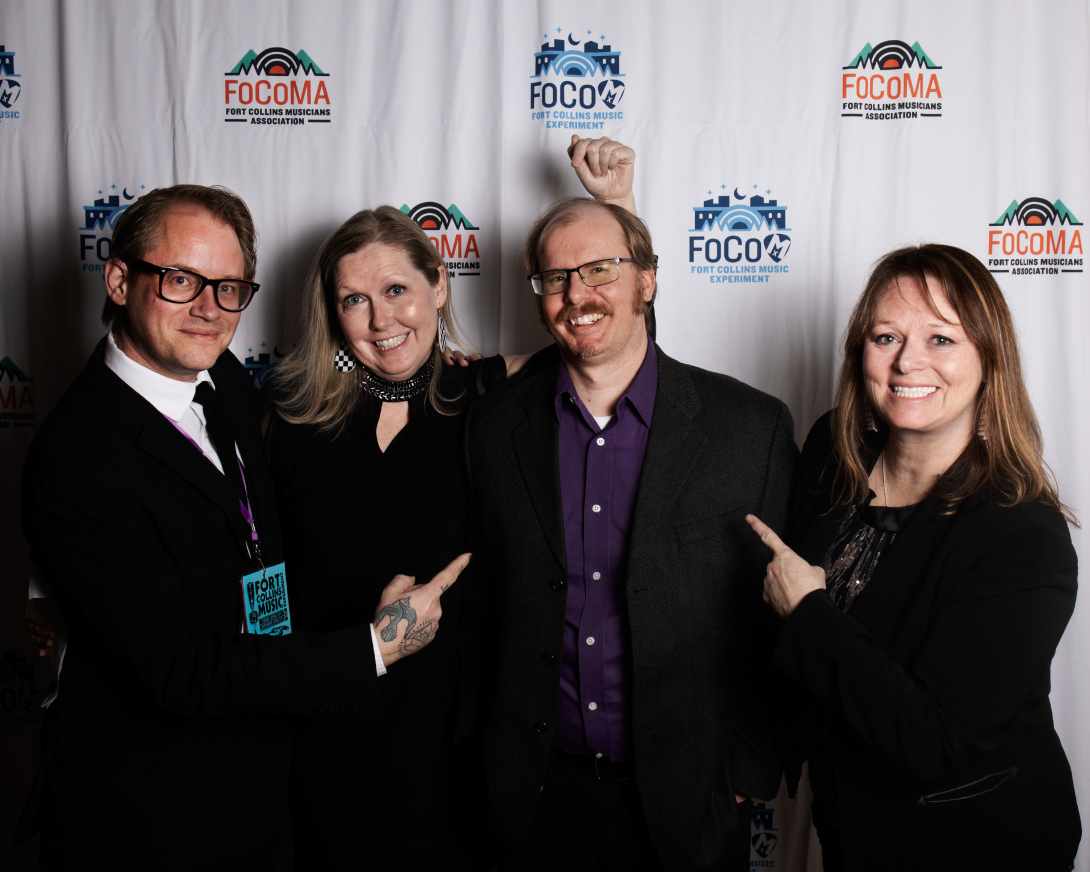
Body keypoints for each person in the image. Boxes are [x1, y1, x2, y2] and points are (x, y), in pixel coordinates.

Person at [19, 183, 466, 870]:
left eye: (229, 287)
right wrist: (373, 649)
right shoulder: (79, 457)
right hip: (146, 815)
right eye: (180, 279)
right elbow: (183, 670)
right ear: (117, 279)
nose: (208, 307)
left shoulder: (220, 377)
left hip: (259, 787)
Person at [263, 135, 640, 870]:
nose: (381, 320)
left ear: (438, 284)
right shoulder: (287, 418)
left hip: (459, 742)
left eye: (397, 290)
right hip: (327, 729)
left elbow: (615, 343)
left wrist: (616, 207)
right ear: (332, 312)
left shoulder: (488, 395)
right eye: (354, 300)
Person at [465, 196, 797, 872]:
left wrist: (744, 774)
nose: (576, 294)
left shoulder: (748, 429)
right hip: (535, 799)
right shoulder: (492, 429)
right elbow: (483, 604)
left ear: (648, 280)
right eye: (555, 278)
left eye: (600, 270)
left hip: (688, 803)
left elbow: (781, 622)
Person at [746, 244, 1081, 871]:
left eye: (942, 339)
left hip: (975, 844)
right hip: (851, 827)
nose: (908, 361)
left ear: (989, 359)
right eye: (887, 335)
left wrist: (808, 611)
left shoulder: (1022, 535)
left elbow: (940, 741)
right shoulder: (831, 451)